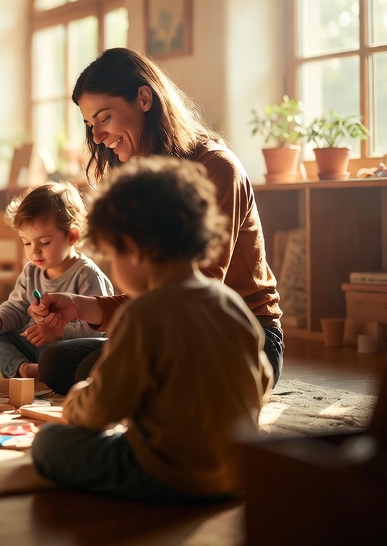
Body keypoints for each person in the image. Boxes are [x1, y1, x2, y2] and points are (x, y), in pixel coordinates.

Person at [30, 157, 273, 502]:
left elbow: (103, 407)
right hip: (237, 470)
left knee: (50, 443)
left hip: (167, 474)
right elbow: (259, 380)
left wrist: (74, 405)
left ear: (134, 249)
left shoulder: (143, 314)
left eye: (114, 256)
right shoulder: (228, 301)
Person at [38, 47, 284, 388]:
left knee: (96, 375)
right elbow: (153, 294)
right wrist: (78, 307)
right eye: (89, 124)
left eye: (104, 117)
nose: (96, 136)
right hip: (171, 321)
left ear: (143, 98)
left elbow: (197, 290)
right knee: (57, 362)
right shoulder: (139, 178)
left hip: (240, 335)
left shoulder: (216, 168)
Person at [0, 181, 114, 386]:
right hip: (35, 345)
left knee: (75, 356)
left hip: (66, 349)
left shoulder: (86, 274)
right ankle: (24, 369)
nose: (34, 251)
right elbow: (17, 307)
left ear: (72, 236)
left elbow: (93, 331)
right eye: (26, 242)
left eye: (45, 242)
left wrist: (57, 332)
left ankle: (45, 369)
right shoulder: (31, 271)